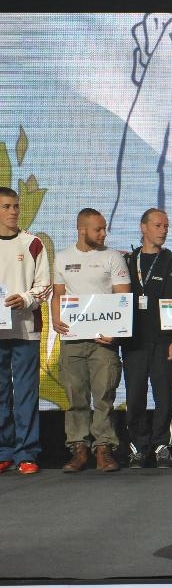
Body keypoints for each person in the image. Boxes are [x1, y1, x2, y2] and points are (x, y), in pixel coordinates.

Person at [52, 208, 131, 473]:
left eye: (104, 228)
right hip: (73, 340)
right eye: (98, 229)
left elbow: (123, 296)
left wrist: (117, 330)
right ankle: (79, 448)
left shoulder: (113, 258)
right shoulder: (62, 258)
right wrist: (55, 320)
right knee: (75, 397)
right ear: (82, 229)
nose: (103, 233)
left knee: (105, 396)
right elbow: (58, 295)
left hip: (103, 341)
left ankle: (104, 448)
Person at [123, 209, 172, 469]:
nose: (164, 230)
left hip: (164, 342)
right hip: (134, 342)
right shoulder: (127, 263)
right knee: (135, 396)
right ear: (143, 228)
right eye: (158, 225)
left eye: (166, 226)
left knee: (164, 397)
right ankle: (138, 447)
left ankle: (162, 446)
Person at [0, 187, 51, 475]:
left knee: (26, 392)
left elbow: (43, 287)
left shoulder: (32, 244)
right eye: (7, 206)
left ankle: (27, 452)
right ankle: (4, 450)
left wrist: (26, 299)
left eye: (16, 206)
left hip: (25, 328)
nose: (13, 212)